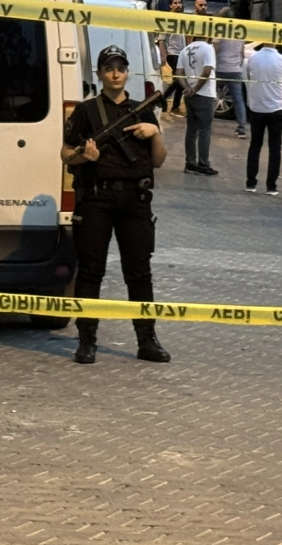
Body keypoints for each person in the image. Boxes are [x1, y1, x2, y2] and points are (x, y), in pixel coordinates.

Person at [61, 45, 170, 365]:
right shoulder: (86, 111)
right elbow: (66, 154)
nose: (115, 74)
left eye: (120, 68)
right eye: (109, 68)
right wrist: (85, 156)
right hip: (96, 198)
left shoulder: (142, 110)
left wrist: (155, 133)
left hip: (135, 200)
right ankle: (86, 339)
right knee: (90, 271)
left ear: (127, 73)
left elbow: (159, 160)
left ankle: (147, 340)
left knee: (139, 273)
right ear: (99, 74)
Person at [244, 41, 282, 195]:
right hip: (277, 107)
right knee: (275, 147)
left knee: (255, 145)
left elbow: (248, 76)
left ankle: (251, 183)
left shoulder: (253, 58)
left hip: (257, 106)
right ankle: (271, 186)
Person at [178, 34, 218, 175]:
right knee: (205, 130)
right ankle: (203, 164)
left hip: (189, 95)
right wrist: (196, 89)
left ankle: (190, 162)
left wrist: (187, 88)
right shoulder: (208, 48)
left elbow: (179, 72)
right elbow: (207, 71)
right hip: (205, 94)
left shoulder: (185, 49)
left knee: (191, 130)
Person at [215, 28, 249, 139]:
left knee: (210, 96)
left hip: (220, 69)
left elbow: (215, 49)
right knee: (238, 100)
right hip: (235, 71)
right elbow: (242, 54)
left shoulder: (219, 33)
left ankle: (205, 123)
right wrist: (238, 66)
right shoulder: (240, 36)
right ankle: (241, 129)